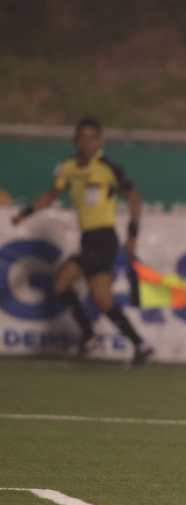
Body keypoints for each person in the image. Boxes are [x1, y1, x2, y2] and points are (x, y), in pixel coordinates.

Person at [12, 116, 154, 365]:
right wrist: (25, 213)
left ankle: (89, 336)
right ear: (75, 140)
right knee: (102, 299)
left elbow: (134, 198)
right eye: (82, 137)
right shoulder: (68, 167)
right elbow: (51, 195)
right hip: (89, 239)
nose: (87, 143)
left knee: (61, 282)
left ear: (100, 141)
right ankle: (140, 344)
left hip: (104, 237)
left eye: (92, 138)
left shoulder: (108, 168)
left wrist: (133, 235)